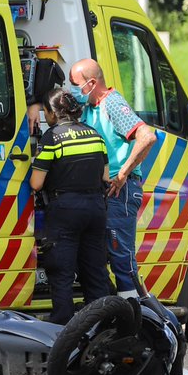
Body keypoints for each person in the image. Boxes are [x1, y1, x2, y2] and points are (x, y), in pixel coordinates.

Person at [68, 58, 157, 299]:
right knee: (94, 258)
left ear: (92, 83)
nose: (72, 90)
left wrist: (122, 174)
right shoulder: (89, 108)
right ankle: (114, 313)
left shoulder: (112, 104)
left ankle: (135, 318)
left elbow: (147, 137)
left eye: (75, 84)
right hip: (101, 193)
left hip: (119, 190)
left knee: (121, 260)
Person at [31, 87, 115, 325]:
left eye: (46, 111)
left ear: (53, 113)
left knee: (62, 271)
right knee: (96, 271)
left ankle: (62, 327)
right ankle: (99, 325)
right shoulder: (95, 135)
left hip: (65, 209)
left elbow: (36, 184)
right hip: (96, 209)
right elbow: (105, 176)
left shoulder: (52, 137)